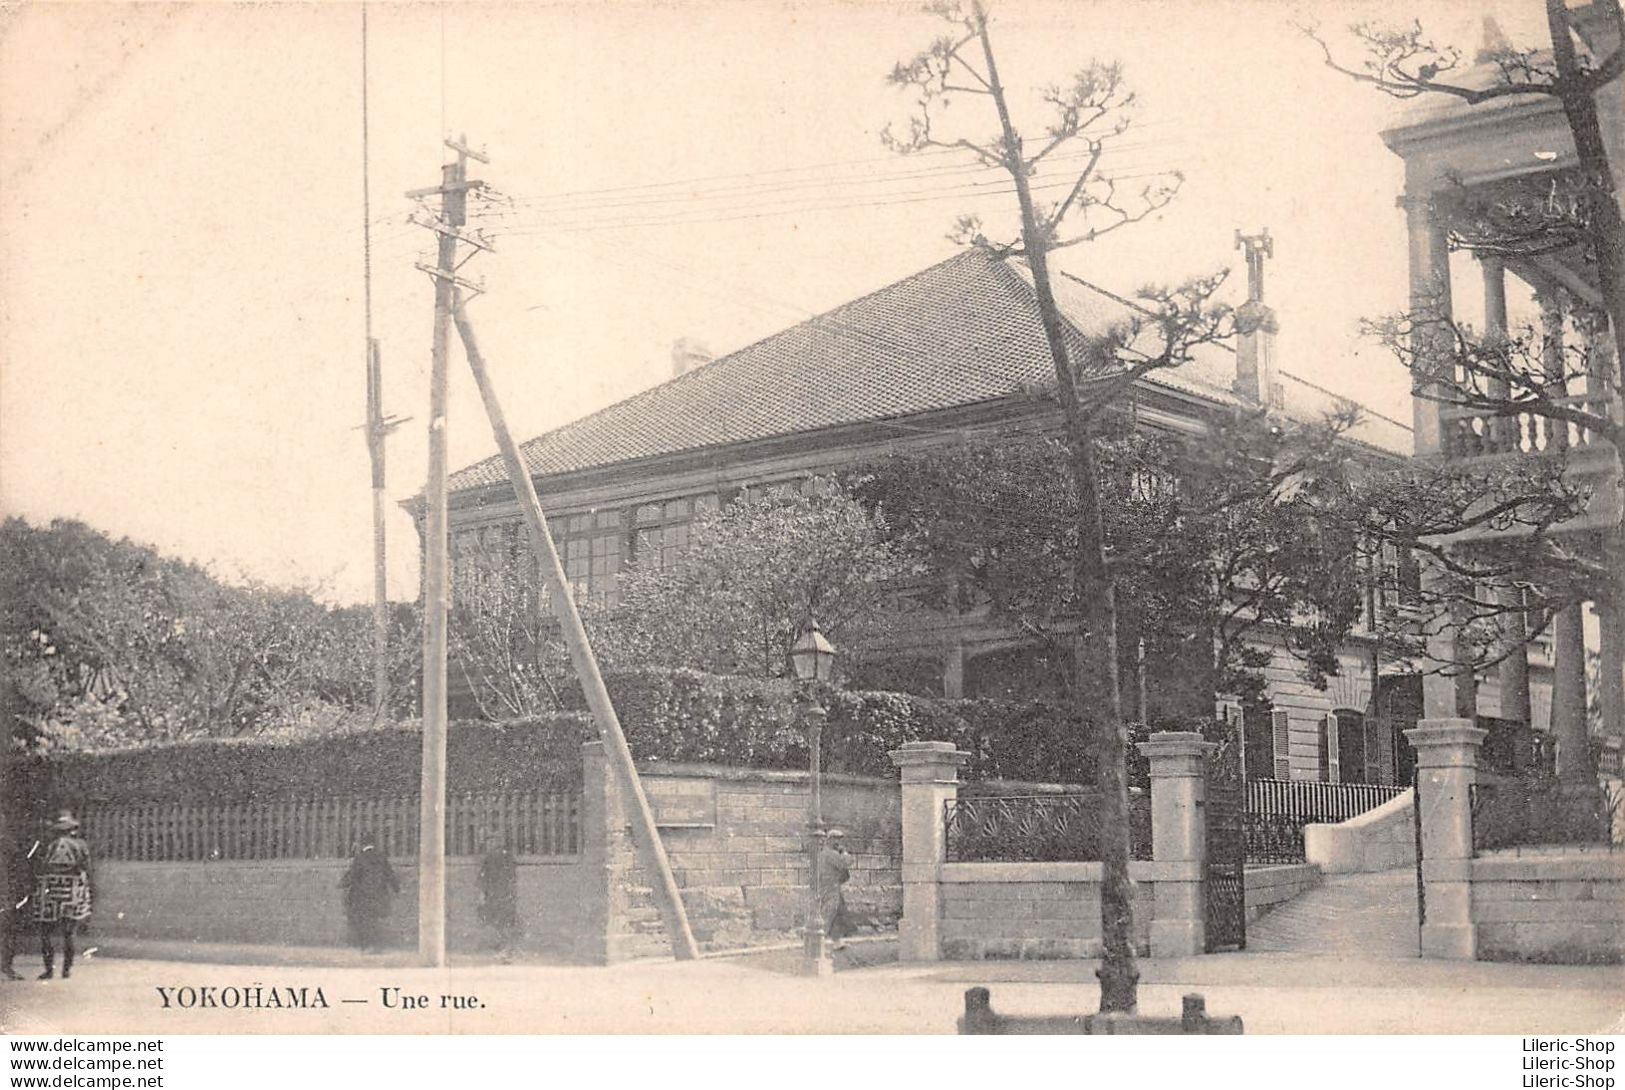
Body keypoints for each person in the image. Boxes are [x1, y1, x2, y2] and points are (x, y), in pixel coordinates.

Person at [33, 811, 92, 980]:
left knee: (46, 932)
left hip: (50, 890)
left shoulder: (48, 845)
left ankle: (49, 970)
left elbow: (39, 867)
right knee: (69, 932)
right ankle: (66, 969)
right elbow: (86, 868)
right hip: (71, 890)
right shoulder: (79, 845)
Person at [338, 835, 398, 954]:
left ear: (363, 845)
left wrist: (341, 883)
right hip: (379, 895)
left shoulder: (360, 858)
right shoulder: (381, 857)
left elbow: (352, 875)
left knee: (364, 921)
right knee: (375, 920)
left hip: (363, 895)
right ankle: (376, 946)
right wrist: (396, 888)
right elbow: (390, 874)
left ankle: (366, 946)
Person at [2, 830, 40, 981]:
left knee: (7, 932)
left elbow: (19, 868)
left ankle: (6, 965)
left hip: (5, 893)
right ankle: (6, 966)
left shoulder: (8, 844)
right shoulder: (8, 844)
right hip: (6, 893)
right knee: (7, 932)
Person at [477, 833, 520, 963]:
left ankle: (507, 950)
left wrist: (482, 894)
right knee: (504, 922)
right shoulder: (507, 857)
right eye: (489, 842)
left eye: (492, 841)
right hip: (504, 894)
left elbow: (483, 879)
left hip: (497, 895)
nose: (490, 844)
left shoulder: (492, 857)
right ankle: (507, 949)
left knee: (501, 922)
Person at [817, 829, 854, 950]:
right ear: (830, 839)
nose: (838, 842)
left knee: (838, 913)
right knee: (829, 912)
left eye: (839, 839)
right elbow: (846, 862)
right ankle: (818, 941)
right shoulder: (830, 853)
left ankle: (837, 941)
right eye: (836, 839)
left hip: (832, 885)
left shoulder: (827, 852)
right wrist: (844, 853)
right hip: (830, 886)